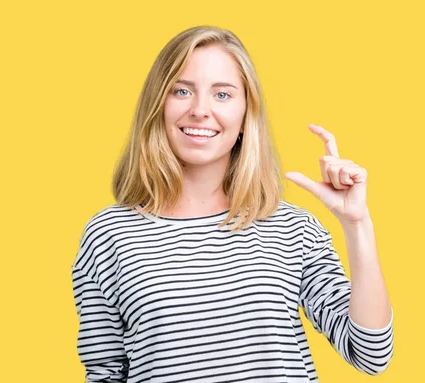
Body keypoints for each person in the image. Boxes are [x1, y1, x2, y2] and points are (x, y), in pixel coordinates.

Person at [70, 25, 394, 383]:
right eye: (181, 90)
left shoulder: (292, 229)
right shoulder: (109, 235)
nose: (200, 110)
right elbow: (105, 374)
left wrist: (357, 224)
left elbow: (371, 354)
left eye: (222, 95)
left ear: (245, 115)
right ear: (158, 103)